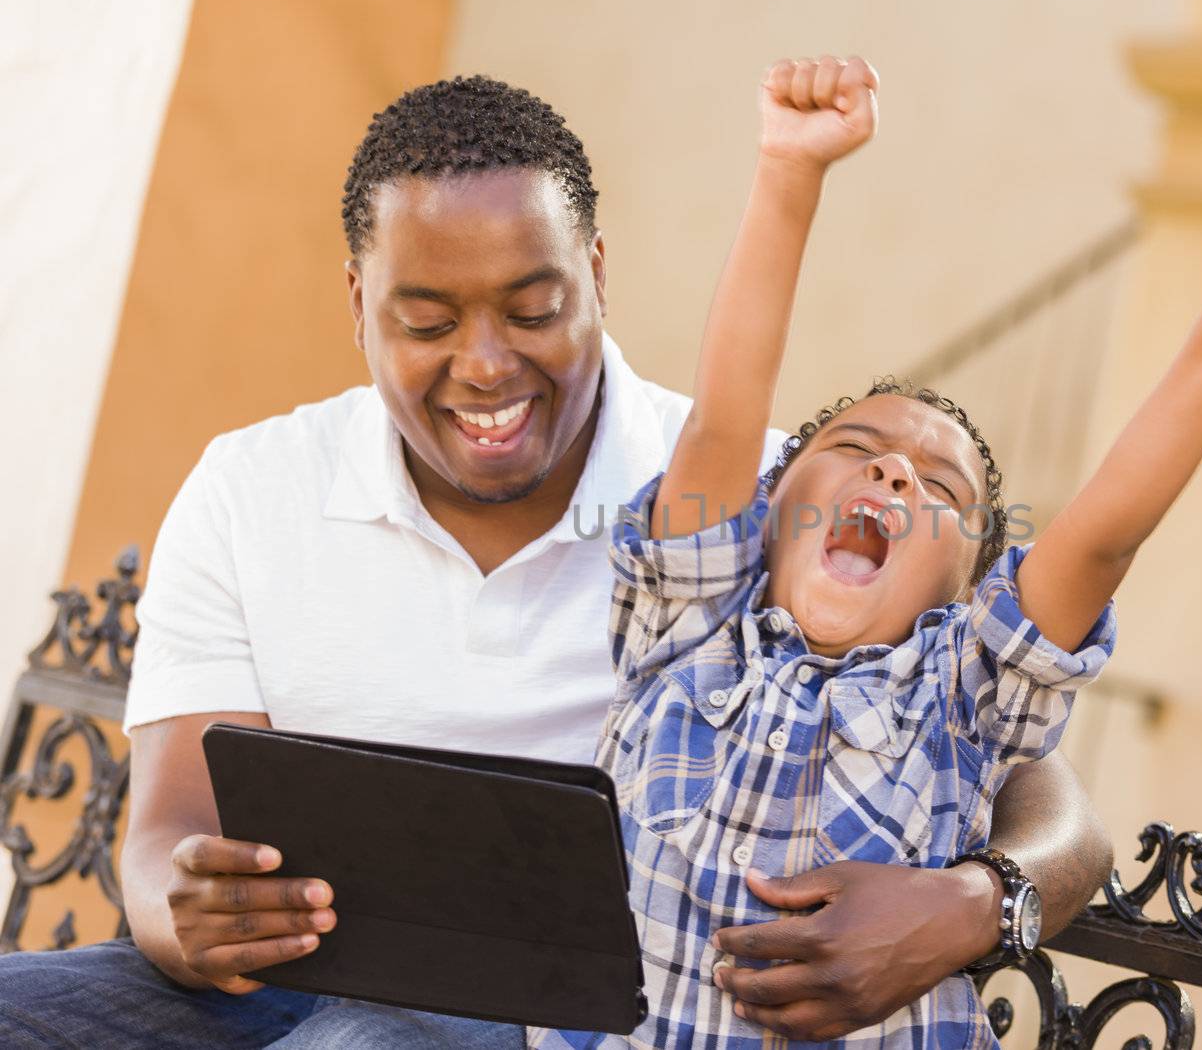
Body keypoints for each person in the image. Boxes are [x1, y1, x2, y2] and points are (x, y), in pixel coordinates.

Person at [0, 74, 1114, 1048]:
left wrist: (979, 901)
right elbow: (163, 831)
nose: (484, 366)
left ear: (593, 275)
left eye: (532, 311)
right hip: (269, 986)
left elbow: (1039, 788)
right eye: (427, 320)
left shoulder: (758, 508)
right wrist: (177, 909)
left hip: (566, 1015)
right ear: (357, 304)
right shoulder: (251, 486)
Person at [540, 55, 1202, 1047]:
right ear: (770, 504)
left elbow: (1102, 538)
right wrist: (790, 171)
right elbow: (730, 404)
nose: (895, 477)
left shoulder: (965, 687)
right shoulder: (688, 621)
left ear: (969, 588)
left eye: (939, 490)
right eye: (854, 451)